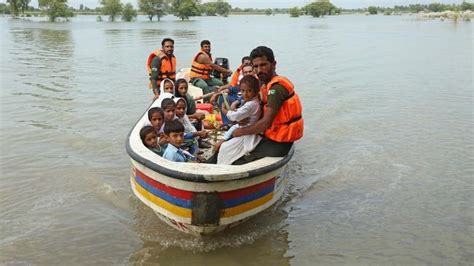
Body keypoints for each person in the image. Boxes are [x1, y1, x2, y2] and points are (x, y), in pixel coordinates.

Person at [231, 46, 304, 165]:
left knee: (237, 161)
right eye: (255, 66)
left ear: (273, 64)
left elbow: (265, 123)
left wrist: (240, 131)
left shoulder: (276, 89)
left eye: (263, 65)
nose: (259, 70)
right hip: (270, 136)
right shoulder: (265, 85)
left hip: (278, 143)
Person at [215, 75, 262, 165]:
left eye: (249, 91)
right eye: (243, 91)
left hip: (246, 134)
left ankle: (223, 167)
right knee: (225, 146)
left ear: (255, 91)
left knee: (225, 148)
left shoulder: (251, 105)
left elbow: (234, 116)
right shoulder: (253, 102)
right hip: (242, 129)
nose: (245, 94)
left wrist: (224, 110)